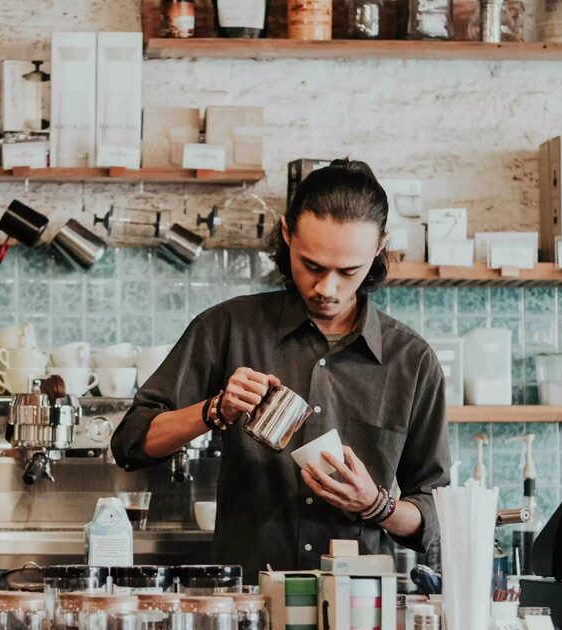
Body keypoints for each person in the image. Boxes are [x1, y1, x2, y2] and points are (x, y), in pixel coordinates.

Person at [110, 159, 451, 574]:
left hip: (356, 604)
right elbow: (131, 443)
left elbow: (434, 515)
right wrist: (214, 410)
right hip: (248, 600)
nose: (327, 288)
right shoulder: (228, 327)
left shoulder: (412, 361)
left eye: (348, 271)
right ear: (287, 233)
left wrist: (376, 505)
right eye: (311, 265)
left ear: (380, 247)